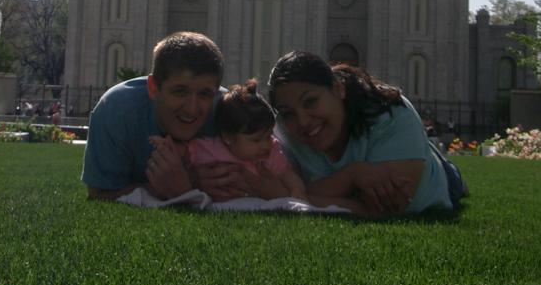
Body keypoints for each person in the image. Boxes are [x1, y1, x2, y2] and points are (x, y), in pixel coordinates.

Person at [268, 51, 468, 217]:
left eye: (310, 101)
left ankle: (443, 165)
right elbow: (267, 189)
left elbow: (389, 207)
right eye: (288, 113)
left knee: (451, 177)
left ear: (338, 89)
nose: (302, 121)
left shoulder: (391, 113)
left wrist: (298, 194)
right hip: (393, 153)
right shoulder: (283, 131)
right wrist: (352, 175)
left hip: (440, 183)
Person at [83, 32, 241, 201]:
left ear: (215, 93)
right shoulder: (117, 110)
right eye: (180, 92)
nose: (192, 108)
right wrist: (189, 183)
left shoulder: (230, 112)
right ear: (153, 88)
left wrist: (189, 184)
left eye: (205, 94)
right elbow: (99, 194)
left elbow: (266, 184)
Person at [184, 80, 307, 200]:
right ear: (228, 138)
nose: (265, 145)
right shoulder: (208, 148)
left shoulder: (271, 154)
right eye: (256, 140)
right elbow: (182, 157)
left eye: (268, 136)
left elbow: (287, 174)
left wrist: (297, 191)